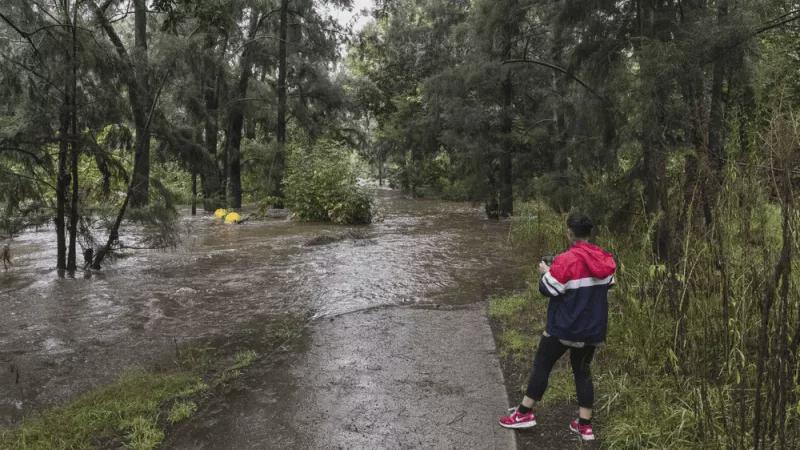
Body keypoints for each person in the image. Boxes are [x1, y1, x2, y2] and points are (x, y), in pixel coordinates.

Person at [498, 212, 616, 441]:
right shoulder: (604, 258)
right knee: (582, 371)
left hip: (564, 328)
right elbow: (610, 283)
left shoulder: (566, 259)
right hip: (593, 329)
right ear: (589, 233)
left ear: (569, 233)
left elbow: (548, 290)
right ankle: (585, 426)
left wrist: (546, 273)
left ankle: (524, 413)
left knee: (542, 364)